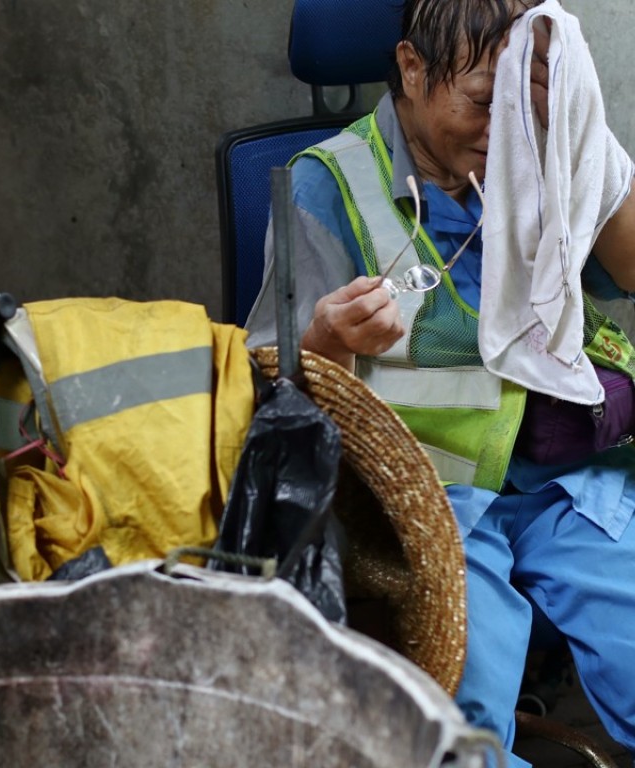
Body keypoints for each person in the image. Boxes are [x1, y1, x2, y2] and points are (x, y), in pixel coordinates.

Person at [244, 1, 635, 766]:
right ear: (413, 70)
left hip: (567, 481)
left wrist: (583, 138)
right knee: (464, 716)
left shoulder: (538, 155)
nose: (503, 127)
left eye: (520, 102)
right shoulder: (327, 184)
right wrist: (328, 342)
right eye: (485, 101)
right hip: (432, 499)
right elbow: (274, 388)